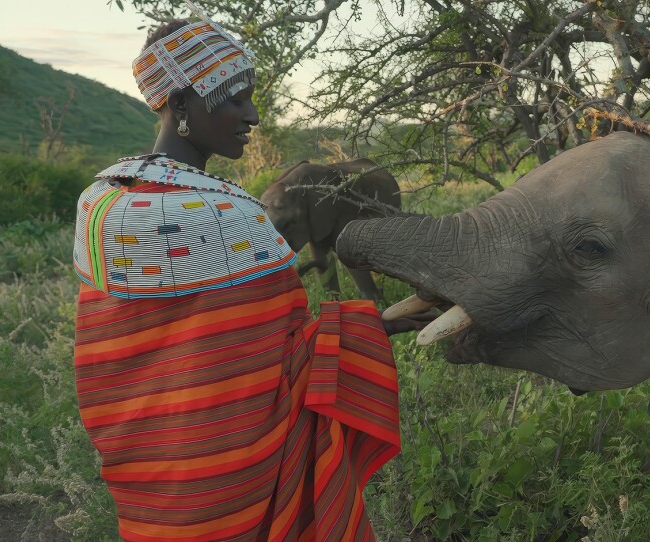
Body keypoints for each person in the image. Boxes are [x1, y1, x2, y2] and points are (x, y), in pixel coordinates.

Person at [72, 9, 423, 541]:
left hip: (150, 479)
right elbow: (291, 359)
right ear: (182, 104)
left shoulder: (99, 205)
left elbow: (113, 361)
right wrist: (378, 326)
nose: (252, 115)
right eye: (235, 98)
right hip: (239, 485)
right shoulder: (232, 217)